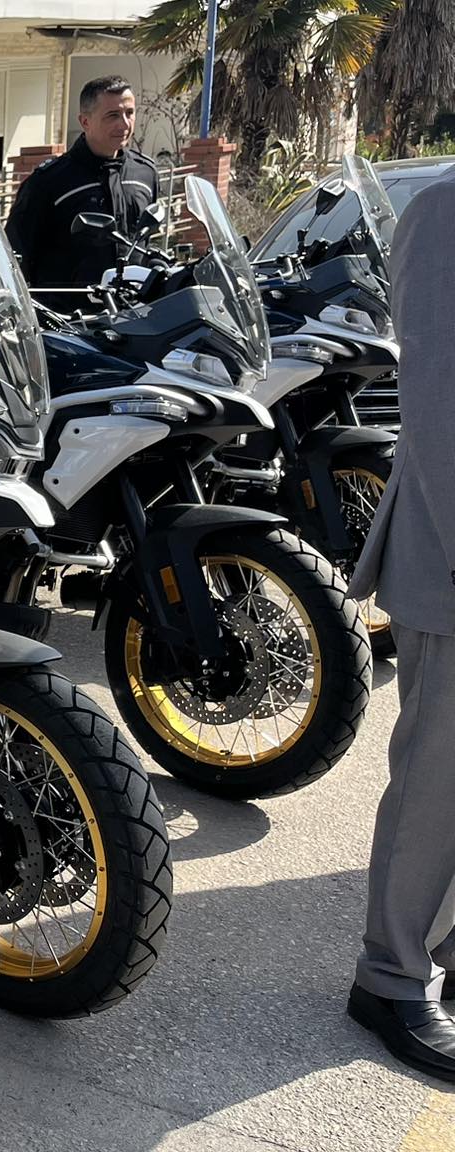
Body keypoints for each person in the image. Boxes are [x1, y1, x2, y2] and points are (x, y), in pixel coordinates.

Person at [344, 167, 455, 1085]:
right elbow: (441, 405)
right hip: (449, 554)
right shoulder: (446, 213)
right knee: (436, 788)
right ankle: (390, 978)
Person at [5, 76, 160, 294]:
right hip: (69, 311)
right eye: (113, 115)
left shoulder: (145, 173)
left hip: (132, 306)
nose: (125, 123)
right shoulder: (48, 181)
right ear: (85, 122)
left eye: (130, 113)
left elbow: (145, 240)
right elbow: (15, 255)